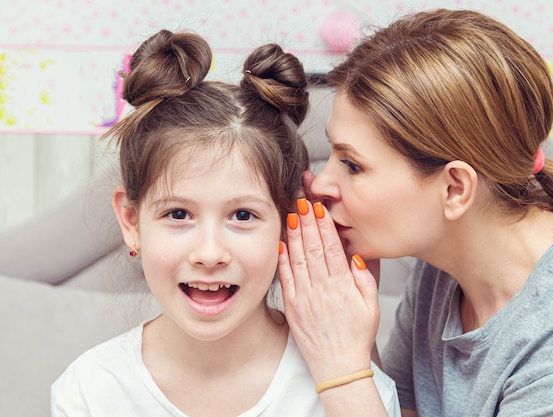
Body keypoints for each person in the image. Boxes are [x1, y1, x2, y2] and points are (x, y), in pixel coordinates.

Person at [277, 8, 553, 417]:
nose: (320, 184)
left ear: (455, 188)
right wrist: (356, 332)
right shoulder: (445, 262)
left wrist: (338, 361)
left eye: (353, 165)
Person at [50, 29, 400, 416]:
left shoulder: (353, 390)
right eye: (178, 214)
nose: (210, 253)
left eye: (243, 215)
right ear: (132, 221)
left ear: (288, 222)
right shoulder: (89, 391)